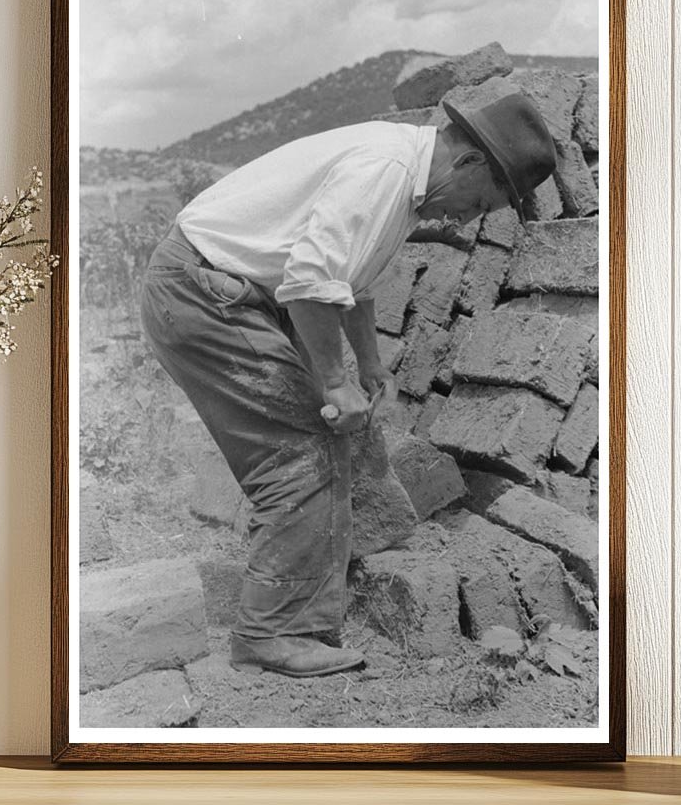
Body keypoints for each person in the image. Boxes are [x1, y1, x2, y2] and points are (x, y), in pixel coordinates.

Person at [140, 93, 556, 677]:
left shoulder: (403, 183)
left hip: (221, 291)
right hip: (205, 294)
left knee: (312, 443)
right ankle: (271, 634)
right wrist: (334, 386)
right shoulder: (383, 172)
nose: (470, 218)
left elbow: (351, 282)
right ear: (467, 165)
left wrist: (370, 366)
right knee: (303, 452)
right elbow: (311, 281)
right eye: (482, 201)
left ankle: (296, 622)